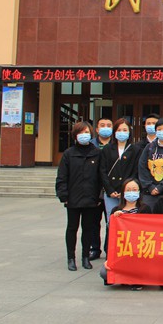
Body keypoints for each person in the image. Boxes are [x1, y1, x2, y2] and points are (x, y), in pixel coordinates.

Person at [55, 121, 103, 271]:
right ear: (75, 135)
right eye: (81, 133)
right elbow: (62, 176)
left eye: (87, 132)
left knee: (88, 229)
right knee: (72, 228)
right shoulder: (69, 154)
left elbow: (101, 176)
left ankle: (85, 257)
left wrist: (99, 196)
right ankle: (71, 258)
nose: (84, 135)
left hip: (91, 198)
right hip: (73, 198)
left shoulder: (96, 153)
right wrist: (63, 195)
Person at [100, 118, 142, 254]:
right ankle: (110, 250)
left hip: (128, 193)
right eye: (119, 130)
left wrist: (124, 190)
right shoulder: (107, 149)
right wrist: (110, 190)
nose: (122, 132)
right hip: (111, 193)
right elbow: (102, 171)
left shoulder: (135, 150)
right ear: (114, 132)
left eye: (125, 130)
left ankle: (128, 249)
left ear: (129, 132)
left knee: (128, 222)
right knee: (112, 221)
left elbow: (135, 171)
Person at [99, 178, 151, 288]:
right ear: (123, 192)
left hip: (138, 253)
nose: (131, 192)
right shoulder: (116, 210)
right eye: (128, 190)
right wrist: (109, 259)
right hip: (122, 254)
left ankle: (132, 278)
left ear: (139, 192)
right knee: (104, 273)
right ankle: (126, 277)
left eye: (134, 189)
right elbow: (110, 238)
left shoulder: (145, 209)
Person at [88, 116, 114, 258]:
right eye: (102, 125)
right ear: (97, 129)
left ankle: (109, 248)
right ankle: (94, 248)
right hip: (94, 189)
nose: (105, 128)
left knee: (111, 221)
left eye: (109, 125)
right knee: (93, 221)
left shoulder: (116, 145)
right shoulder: (90, 145)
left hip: (111, 190)